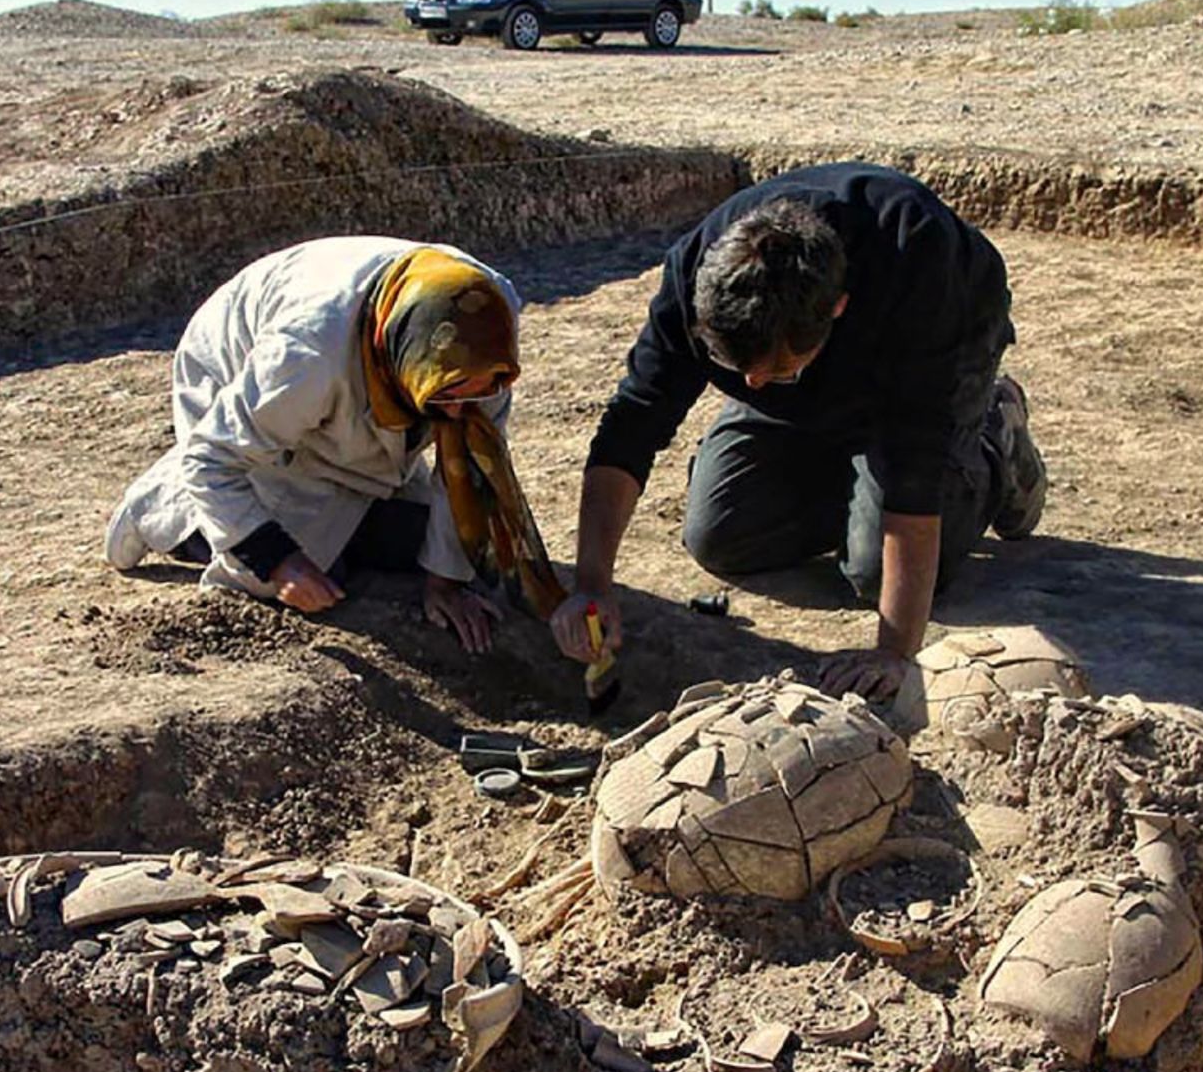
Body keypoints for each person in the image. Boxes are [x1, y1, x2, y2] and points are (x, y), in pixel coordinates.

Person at [549, 162, 1045, 699]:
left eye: (778, 370)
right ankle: (852, 472)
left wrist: (893, 651)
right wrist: (591, 585)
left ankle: (995, 441)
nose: (756, 384)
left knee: (874, 572)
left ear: (837, 309)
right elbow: (632, 424)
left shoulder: (916, 267)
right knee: (720, 535)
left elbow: (915, 465)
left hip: (950, 340)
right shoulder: (698, 273)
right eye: (740, 370)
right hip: (825, 381)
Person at [104, 236, 564, 652]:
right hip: (236, 374)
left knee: (448, 553)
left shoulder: (485, 328)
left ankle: (337, 506)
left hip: (354, 392)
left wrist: (445, 582)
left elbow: (466, 463)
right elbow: (212, 458)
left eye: (479, 393)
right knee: (282, 575)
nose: (464, 411)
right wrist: (281, 562)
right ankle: (165, 510)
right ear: (409, 358)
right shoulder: (306, 356)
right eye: (450, 396)